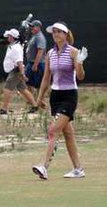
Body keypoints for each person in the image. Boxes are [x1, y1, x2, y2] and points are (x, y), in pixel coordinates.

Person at [32, 22, 88, 180]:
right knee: (68, 134)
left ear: (65, 34)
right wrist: (40, 97)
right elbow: (46, 77)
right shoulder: (50, 53)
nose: (55, 34)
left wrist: (80, 62)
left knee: (53, 130)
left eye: (58, 32)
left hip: (69, 95)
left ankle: (44, 166)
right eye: (53, 32)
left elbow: (80, 76)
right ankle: (78, 169)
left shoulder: (73, 52)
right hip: (55, 96)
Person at [0, 28, 39, 115]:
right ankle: (35, 106)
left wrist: (22, 73)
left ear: (13, 37)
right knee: (23, 89)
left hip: (16, 71)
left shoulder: (16, 48)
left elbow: (19, 61)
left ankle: (4, 109)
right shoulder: (14, 46)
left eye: (9, 36)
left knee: (7, 88)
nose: (7, 37)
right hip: (16, 71)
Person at [25, 20, 47, 102]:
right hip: (31, 63)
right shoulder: (34, 36)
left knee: (39, 85)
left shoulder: (39, 37)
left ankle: (41, 104)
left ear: (38, 27)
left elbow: (40, 51)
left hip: (38, 64)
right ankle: (32, 102)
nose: (31, 28)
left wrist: (35, 65)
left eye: (33, 26)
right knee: (27, 82)